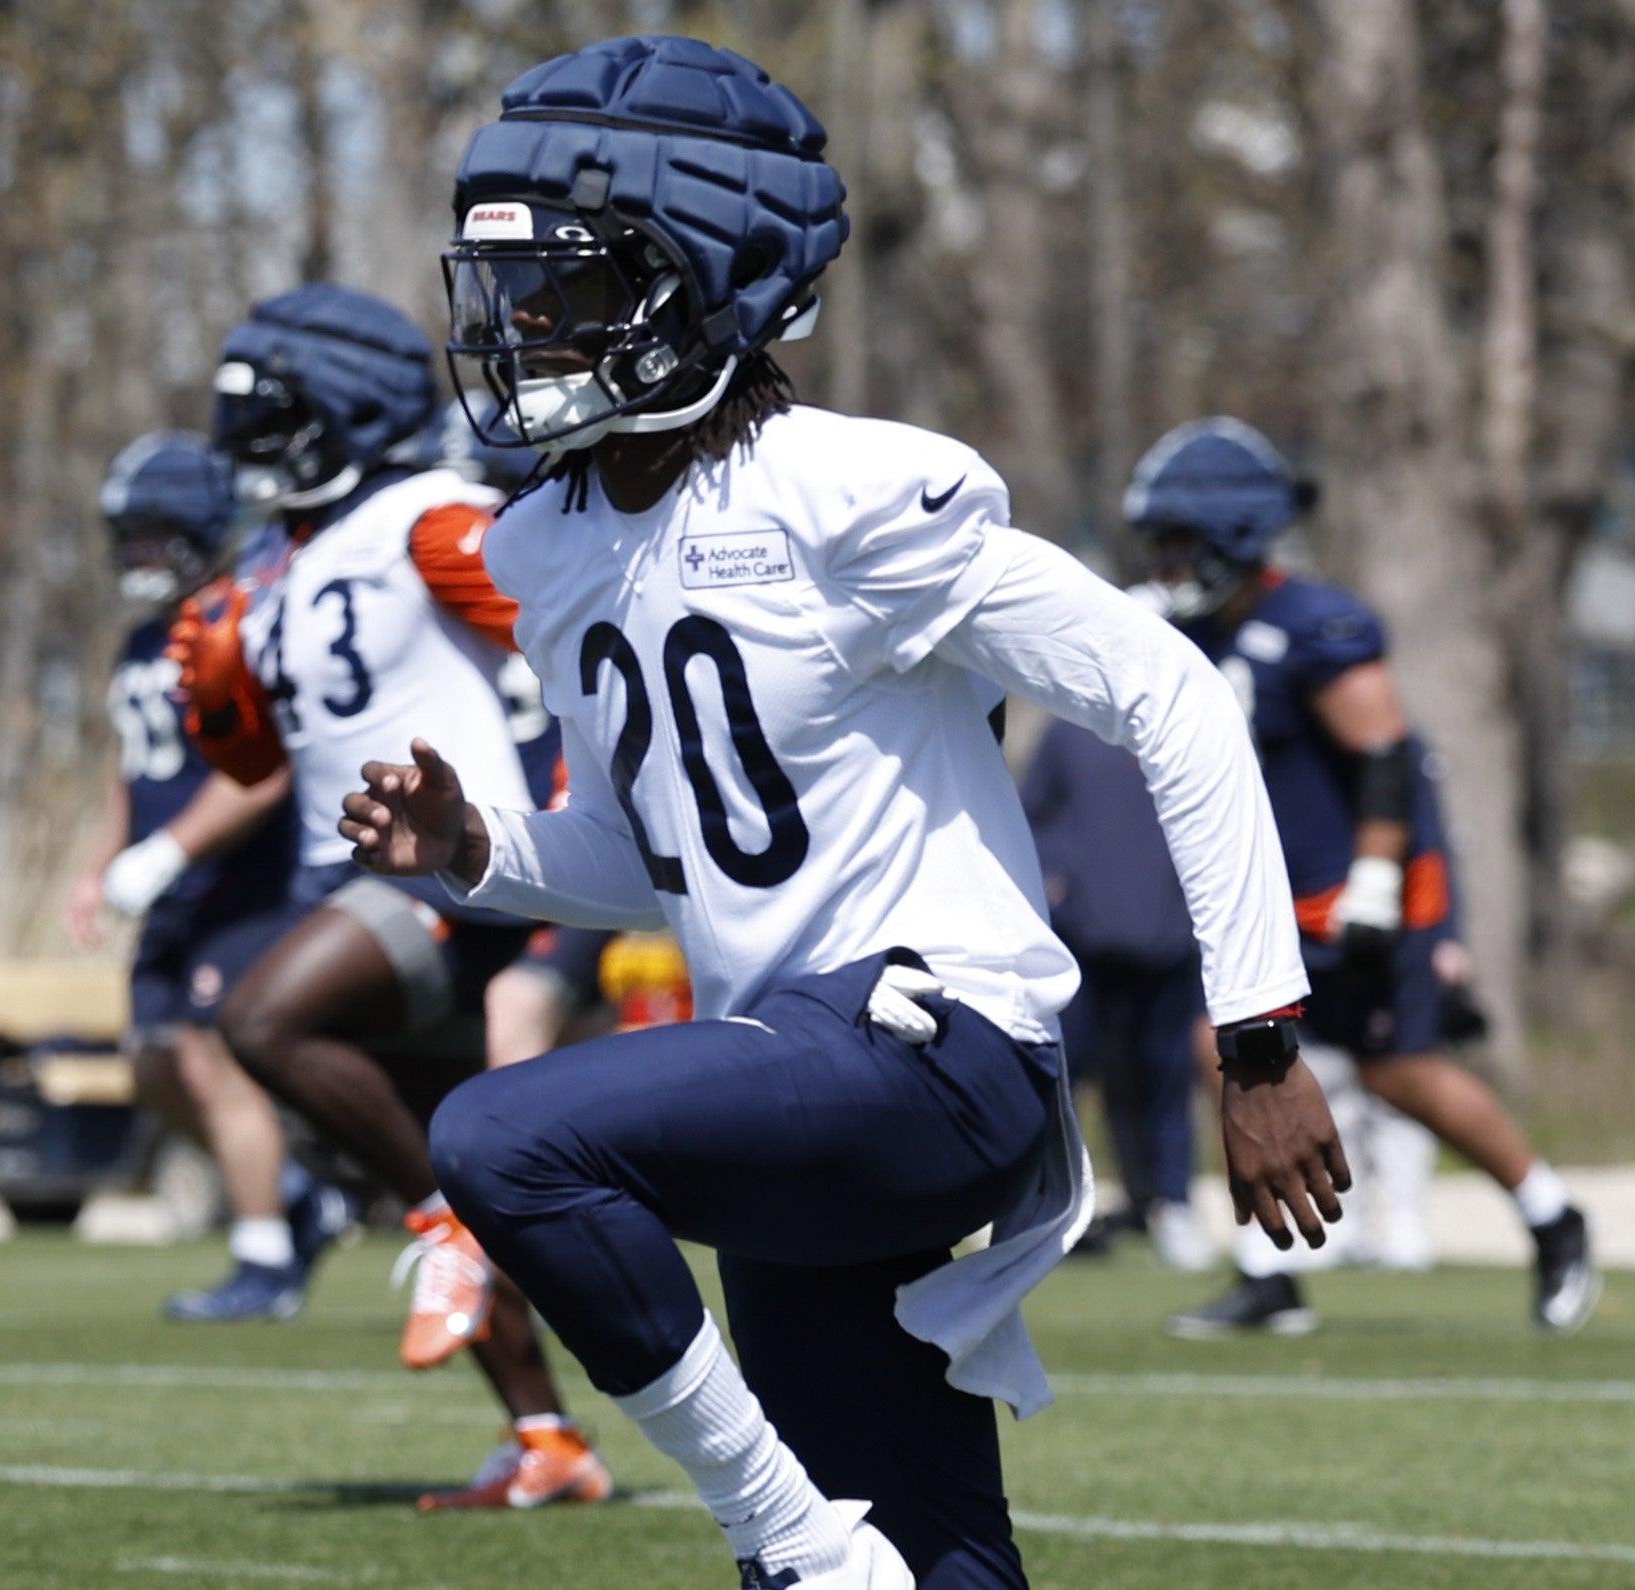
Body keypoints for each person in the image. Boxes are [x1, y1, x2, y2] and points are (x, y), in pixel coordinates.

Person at [340, 35, 1344, 1590]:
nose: (526, 327)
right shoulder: (549, 545)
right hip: (790, 1075)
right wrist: (478, 849)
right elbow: (652, 854)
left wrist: (1260, 1036)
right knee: (932, 1553)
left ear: (706, 285)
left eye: (572, 287)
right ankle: (819, 1550)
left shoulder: (850, 494)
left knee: (501, 1133)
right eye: (513, 292)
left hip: (937, 1051)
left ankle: (790, 1536)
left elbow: (1175, 695)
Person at [169, 287, 610, 1511]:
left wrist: (556, 813)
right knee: (463, 1178)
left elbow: (570, 637)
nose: (240, 444)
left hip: (440, 871)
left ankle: (443, 1237)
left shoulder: (426, 515)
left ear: (331, 415)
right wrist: (220, 683)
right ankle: (546, 1442)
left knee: (260, 1024)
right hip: (347, 878)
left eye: (263, 418)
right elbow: (255, 766)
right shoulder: (286, 567)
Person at [1122, 416, 1600, 1337]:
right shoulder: (1194, 635)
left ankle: (1552, 1215)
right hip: (1279, 897)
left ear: (1229, 537)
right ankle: (1270, 1271)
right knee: (1218, 1050)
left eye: (1177, 541)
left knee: (1398, 1073)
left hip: (1362, 888)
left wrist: (1379, 882)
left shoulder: (1314, 624)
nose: (1165, 561)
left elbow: (1383, 758)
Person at [66, 431, 351, 1321]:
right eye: (130, 533)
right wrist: (102, 864)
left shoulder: (234, 623)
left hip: (243, 879)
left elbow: (264, 772)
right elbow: (134, 772)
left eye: (156, 531)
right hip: (170, 883)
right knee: (151, 1062)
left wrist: (167, 854)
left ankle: (262, 1259)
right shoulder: (138, 641)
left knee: (205, 1053)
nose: (139, 551)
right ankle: (302, 1198)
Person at [1019, 716, 1215, 1270]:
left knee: (1165, 1077)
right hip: (1080, 939)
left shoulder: (1181, 727)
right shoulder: (1067, 731)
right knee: (1065, 1069)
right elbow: (1032, 816)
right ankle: (1054, 1211)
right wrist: (1054, 882)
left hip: (1168, 939)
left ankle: (1170, 1202)